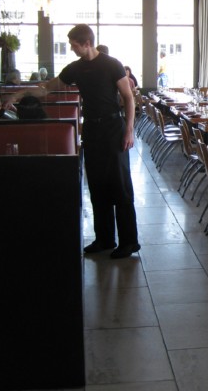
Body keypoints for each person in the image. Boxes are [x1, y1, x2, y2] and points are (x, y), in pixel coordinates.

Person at [37, 24, 140, 259]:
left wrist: (129, 130)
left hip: (114, 127)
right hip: (92, 128)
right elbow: (50, 87)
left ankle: (129, 242)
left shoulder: (111, 63)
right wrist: (20, 95)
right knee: (96, 184)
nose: (72, 49)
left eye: (74, 45)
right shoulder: (75, 68)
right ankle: (104, 239)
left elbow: (128, 97)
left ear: (87, 43)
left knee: (120, 185)